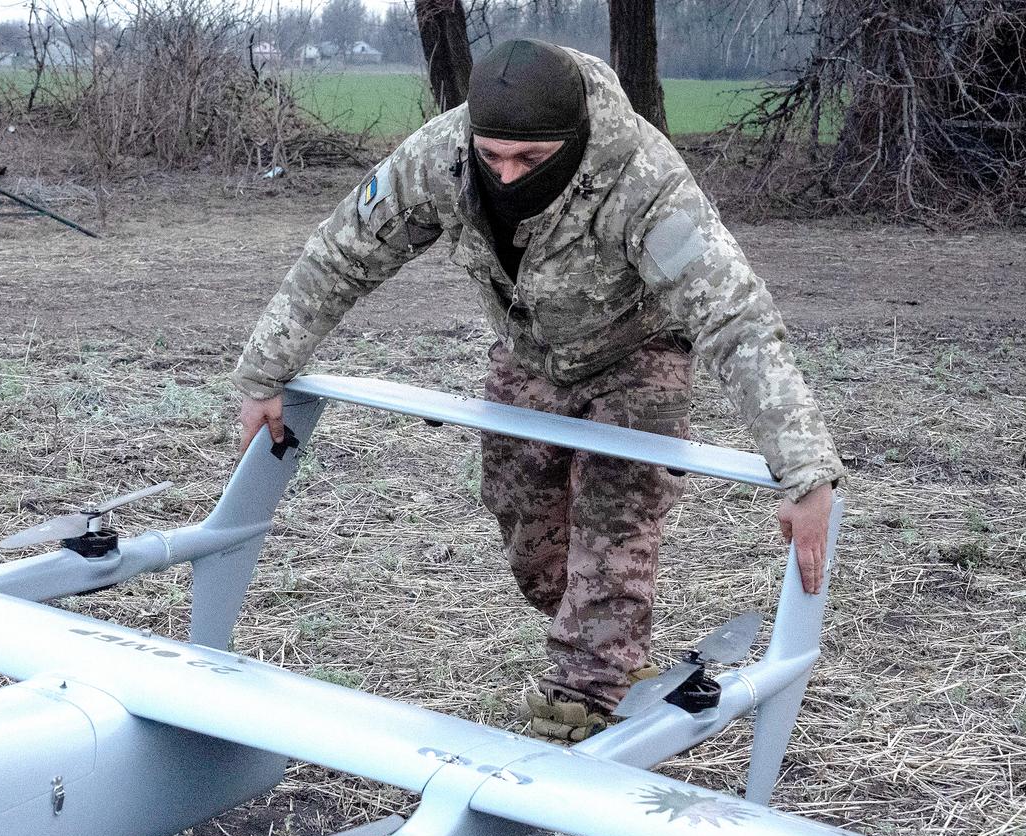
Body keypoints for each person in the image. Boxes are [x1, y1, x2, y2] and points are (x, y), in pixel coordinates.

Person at [231, 39, 843, 743]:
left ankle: (578, 704)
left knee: (613, 529)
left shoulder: (642, 180)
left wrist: (802, 469)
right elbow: (343, 252)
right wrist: (263, 373)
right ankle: (610, 645)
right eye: (493, 157)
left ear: (574, 141)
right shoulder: (440, 157)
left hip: (637, 355)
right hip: (527, 354)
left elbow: (735, 317)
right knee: (529, 534)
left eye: (530, 160)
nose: (507, 174)